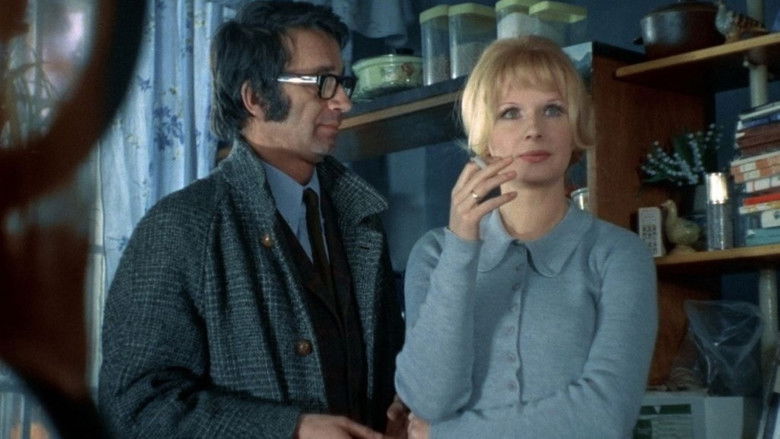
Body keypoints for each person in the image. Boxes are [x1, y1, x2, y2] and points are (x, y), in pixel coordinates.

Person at [98, 2, 404, 438]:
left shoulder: (361, 221)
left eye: (343, 82)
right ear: (256, 98)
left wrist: (402, 406)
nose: (343, 102)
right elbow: (133, 408)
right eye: (323, 83)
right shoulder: (180, 226)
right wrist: (289, 430)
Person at [394, 36, 658, 439]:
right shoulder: (434, 253)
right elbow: (431, 400)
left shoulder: (620, 255)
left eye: (553, 110)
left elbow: (605, 415)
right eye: (510, 113)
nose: (534, 129)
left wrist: (446, 435)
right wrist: (461, 246)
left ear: (576, 128)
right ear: (485, 136)